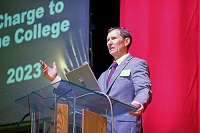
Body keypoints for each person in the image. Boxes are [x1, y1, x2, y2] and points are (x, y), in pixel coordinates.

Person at [40, 27, 152, 133]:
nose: (109, 43)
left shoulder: (136, 64)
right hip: (99, 127)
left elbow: (144, 89)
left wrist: (138, 103)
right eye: (108, 40)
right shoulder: (104, 75)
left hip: (123, 127)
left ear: (126, 41)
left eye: (113, 38)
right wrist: (55, 79)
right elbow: (82, 97)